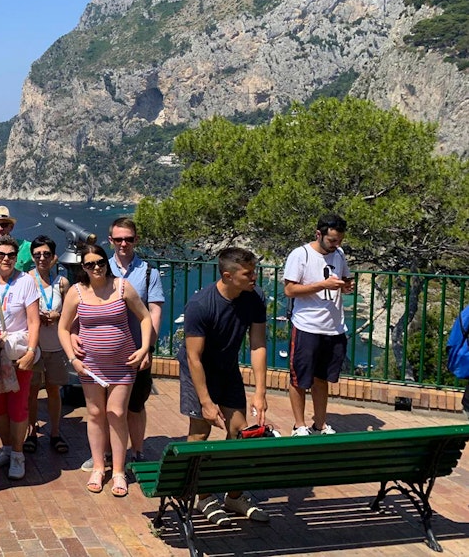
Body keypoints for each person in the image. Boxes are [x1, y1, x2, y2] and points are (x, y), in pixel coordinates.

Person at [178, 248, 269, 526]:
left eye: (254, 271)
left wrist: (260, 392)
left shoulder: (255, 298)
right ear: (228, 276)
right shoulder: (201, 305)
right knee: (200, 432)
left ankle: (234, 495)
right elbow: (194, 357)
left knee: (240, 432)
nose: (254, 277)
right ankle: (203, 496)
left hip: (227, 369)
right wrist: (206, 402)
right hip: (199, 370)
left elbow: (258, 344)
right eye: (248, 274)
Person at [58, 244, 152, 497]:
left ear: (105, 261)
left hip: (122, 362)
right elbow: (63, 328)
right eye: (90, 264)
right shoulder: (77, 292)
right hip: (90, 365)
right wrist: (72, 359)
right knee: (95, 412)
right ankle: (99, 467)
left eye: (100, 262)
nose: (96, 267)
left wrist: (144, 349)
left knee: (116, 411)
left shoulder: (122, 286)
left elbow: (144, 317)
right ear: (83, 268)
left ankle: (119, 471)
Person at [79, 218, 164, 472]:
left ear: (136, 239)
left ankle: (137, 452)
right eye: (118, 239)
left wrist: (147, 348)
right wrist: (73, 334)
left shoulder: (149, 272)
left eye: (128, 238)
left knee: (135, 405)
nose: (124, 243)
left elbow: (154, 311)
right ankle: (104, 454)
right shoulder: (98, 266)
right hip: (101, 356)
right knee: (103, 409)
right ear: (110, 241)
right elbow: (80, 307)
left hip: (136, 352)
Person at [283, 214, 354, 436]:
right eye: (332, 240)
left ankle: (320, 424)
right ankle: (299, 425)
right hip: (307, 327)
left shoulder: (339, 254)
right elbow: (290, 290)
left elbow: (344, 279)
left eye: (339, 241)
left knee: (322, 379)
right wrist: (322, 284)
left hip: (333, 328)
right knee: (299, 379)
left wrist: (346, 286)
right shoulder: (300, 255)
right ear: (319, 234)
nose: (336, 245)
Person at [0, 235, 41, 480]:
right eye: (2, 255)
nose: (6, 259)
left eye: (11, 255)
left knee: (18, 405)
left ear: (17, 257)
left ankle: (18, 454)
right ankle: (6, 448)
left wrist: (30, 352)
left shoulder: (26, 281)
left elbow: (34, 321)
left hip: (17, 352)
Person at [24, 235, 71, 455]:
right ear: (32, 257)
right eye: (37, 254)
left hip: (56, 346)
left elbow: (73, 314)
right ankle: (31, 433)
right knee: (31, 392)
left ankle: (55, 432)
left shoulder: (61, 282)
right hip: (34, 346)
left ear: (53, 257)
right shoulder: (26, 280)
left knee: (54, 390)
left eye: (46, 254)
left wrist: (58, 315)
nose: (42, 258)